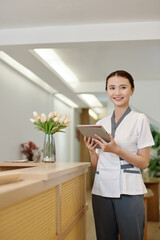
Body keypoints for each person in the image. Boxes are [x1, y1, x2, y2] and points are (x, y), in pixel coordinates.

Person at [84, 70, 154, 240]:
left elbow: (144, 163)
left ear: (132, 90)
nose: (117, 92)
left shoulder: (140, 119)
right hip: (101, 190)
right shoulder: (101, 123)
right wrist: (91, 151)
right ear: (107, 91)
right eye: (112, 88)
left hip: (129, 191)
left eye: (123, 87)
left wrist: (118, 151)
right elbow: (97, 165)